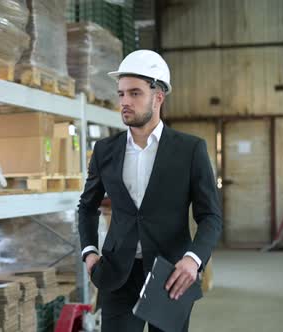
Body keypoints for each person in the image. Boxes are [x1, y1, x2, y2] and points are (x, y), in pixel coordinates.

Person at [77, 49, 223, 332]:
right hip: (117, 274)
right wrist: (90, 253)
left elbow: (211, 217)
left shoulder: (190, 150)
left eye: (135, 93)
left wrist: (193, 261)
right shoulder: (105, 150)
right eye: (121, 94)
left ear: (158, 97)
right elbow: (87, 205)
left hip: (171, 275)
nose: (124, 102)